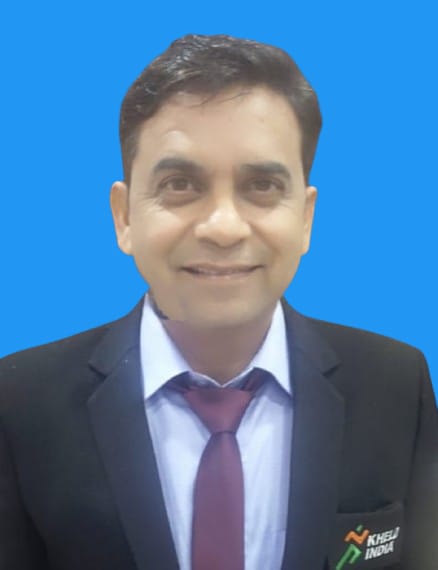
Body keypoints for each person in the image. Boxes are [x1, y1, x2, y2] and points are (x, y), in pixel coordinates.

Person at [0, 34, 437, 570]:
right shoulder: (20, 402)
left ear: (305, 217)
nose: (223, 227)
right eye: (180, 183)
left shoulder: (397, 386)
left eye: (262, 185)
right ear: (125, 216)